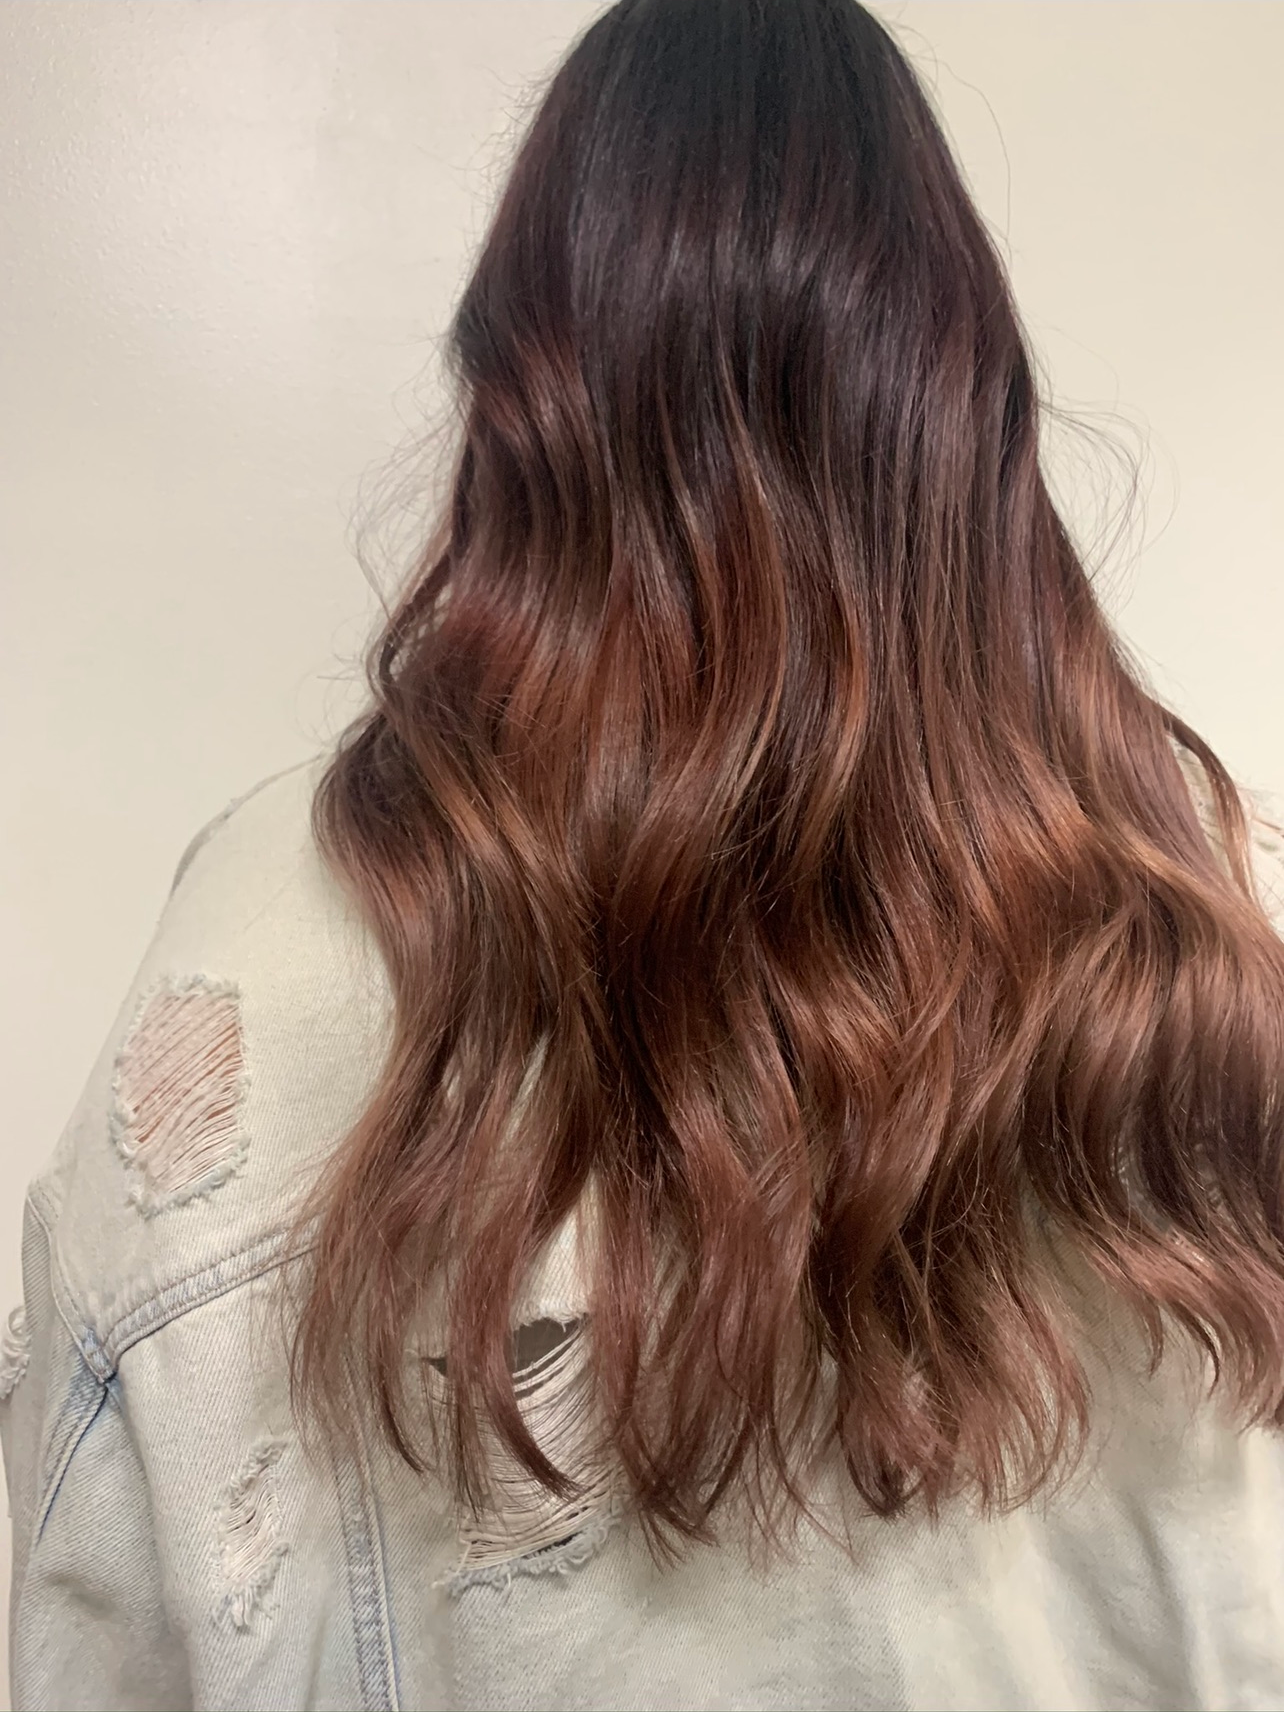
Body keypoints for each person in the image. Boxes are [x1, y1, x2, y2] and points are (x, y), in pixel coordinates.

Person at [5, 0, 1284, 1706]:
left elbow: (92, 1617)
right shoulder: (1183, 980)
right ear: (955, 412)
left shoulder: (249, 964)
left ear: (519, 398)